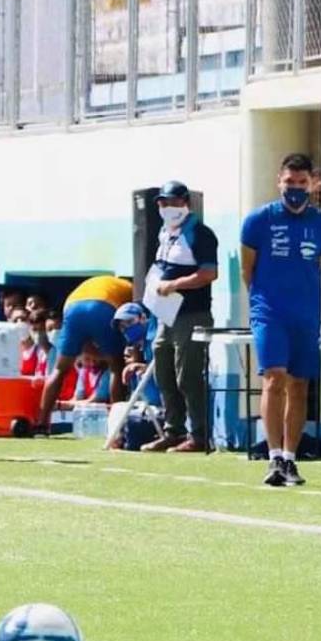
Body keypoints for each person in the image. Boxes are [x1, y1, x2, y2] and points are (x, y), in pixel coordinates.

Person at [240, 152, 321, 486]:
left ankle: (292, 460)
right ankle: (274, 456)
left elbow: (317, 265)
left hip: (306, 315)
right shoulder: (258, 220)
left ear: (313, 183)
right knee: (274, 377)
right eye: (289, 182)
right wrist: (261, 304)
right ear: (279, 181)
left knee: (299, 384)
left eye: (302, 182)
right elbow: (247, 269)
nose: (295, 188)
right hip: (269, 312)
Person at [140, 181, 218, 452]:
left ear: (185, 202)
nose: (167, 208)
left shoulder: (200, 233)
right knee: (163, 369)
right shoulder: (165, 232)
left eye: (173, 202)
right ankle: (173, 430)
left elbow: (208, 273)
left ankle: (199, 435)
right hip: (166, 313)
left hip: (191, 314)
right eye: (163, 203)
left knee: (188, 375)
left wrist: (174, 285)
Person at [39, 275, 132, 430]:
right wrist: (113, 355)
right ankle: (118, 427)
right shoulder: (131, 290)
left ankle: (41, 423)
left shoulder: (101, 283)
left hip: (72, 307)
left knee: (59, 370)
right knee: (117, 368)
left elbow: (86, 346)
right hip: (103, 307)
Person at [20, 309, 51, 378]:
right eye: (34, 330)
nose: (38, 334)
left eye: (41, 330)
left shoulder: (55, 352)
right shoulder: (37, 350)